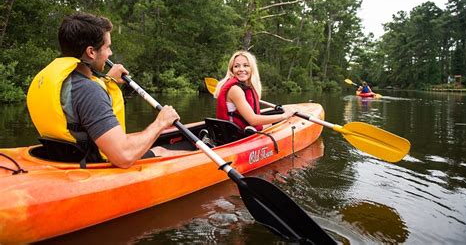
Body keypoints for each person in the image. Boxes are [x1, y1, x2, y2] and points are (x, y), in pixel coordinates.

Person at [27, 12, 185, 169]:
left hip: (62, 157)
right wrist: (161, 122)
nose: (110, 53)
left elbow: (79, 104)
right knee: (161, 151)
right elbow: (124, 157)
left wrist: (109, 81)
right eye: (107, 47)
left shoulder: (59, 81)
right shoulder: (89, 91)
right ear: (91, 52)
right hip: (91, 165)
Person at [214, 50, 295, 131]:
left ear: (252, 68)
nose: (241, 69)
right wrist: (284, 116)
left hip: (241, 129)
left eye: (246, 65)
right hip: (237, 134)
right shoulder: (235, 90)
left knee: (272, 124)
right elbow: (252, 120)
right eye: (236, 66)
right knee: (279, 123)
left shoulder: (244, 87)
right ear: (232, 70)